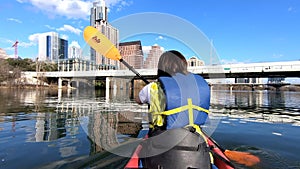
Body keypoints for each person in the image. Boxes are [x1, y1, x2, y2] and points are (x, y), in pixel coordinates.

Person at [136, 50, 213, 169]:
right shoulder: (197, 88)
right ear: (184, 66)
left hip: (160, 152)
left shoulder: (151, 88)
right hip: (197, 153)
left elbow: (138, 100)